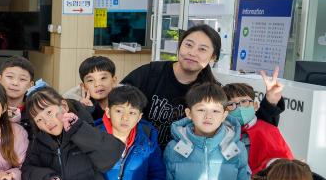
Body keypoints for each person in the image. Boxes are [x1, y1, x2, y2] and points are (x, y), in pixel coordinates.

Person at [122, 25, 285, 148]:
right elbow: (119, 100)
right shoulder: (151, 73)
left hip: (187, 163)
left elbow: (247, 125)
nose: (192, 52)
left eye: (202, 49)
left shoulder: (213, 91)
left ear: (213, 57)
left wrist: (270, 101)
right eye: (188, 45)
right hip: (140, 155)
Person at [223, 82, 293, 174]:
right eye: (231, 104)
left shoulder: (268, 130)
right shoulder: (219, 132)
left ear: (255, 105)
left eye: (244, 101)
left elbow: (282, 166)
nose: (239, 108)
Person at [69, 56, 118, 122]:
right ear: (84, 87)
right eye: (90, 80)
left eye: (103, 78)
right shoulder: (78, 110)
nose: (97, 84)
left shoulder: (124, 103)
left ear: (114, 81)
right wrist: (85, 111)